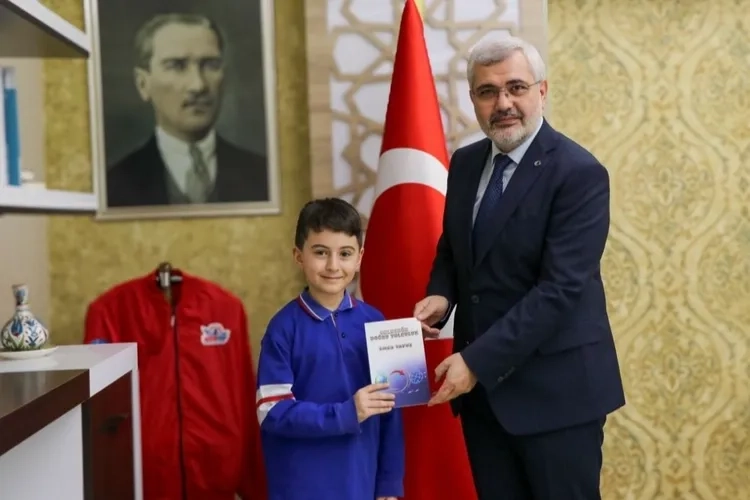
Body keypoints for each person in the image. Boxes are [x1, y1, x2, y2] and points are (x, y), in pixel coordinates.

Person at [413, 35, 625, 500]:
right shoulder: (465, 163)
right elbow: (454, 246)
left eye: (515, 87)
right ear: (473, 99)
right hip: (485, 401)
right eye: (488, 92)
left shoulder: (579, 173)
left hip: (558, 397)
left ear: (541, 91)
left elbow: (559, 290)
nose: (503, 103)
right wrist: (442, 293)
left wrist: (475, 362)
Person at [255, 198, 405, 500]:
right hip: (300, 487)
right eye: (321, 252)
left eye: (345, 254)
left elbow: (391, 411)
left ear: (360, 258)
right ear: (299, 256)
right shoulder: (282, 328)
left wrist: (389, 483)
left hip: (362, 482)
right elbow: (271, 412)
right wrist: (347, 412)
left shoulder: (377, 323)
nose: (333, 266)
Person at [106, 13, 269, 207]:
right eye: (177, 66)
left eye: (210, 65)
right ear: (143, 84)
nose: (198, 85)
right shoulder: (113, 186)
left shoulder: (266, 176)